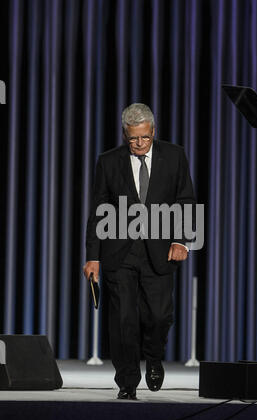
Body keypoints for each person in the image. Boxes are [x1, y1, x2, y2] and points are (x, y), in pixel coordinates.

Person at [83, 103, 196, 400]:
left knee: (158, 317)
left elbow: (186, 199)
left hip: (160, 252)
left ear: (153, 131)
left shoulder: (174, 156)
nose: (139, 144)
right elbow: (97, 211)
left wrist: (182, 240)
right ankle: (127, 382)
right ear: (125, 134)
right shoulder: (108, 162)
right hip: (119, 252)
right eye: (133, 139)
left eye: (144, 138)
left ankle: (154, 356)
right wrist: (92, 256)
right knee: (123, 322)